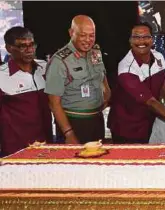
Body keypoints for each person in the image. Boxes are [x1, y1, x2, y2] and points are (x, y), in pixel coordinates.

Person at [108, 22, 165, 144]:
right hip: (127, 127)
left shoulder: (159, 57)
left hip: (150, 122)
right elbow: (151, 102)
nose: (141, 41)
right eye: (136, 37)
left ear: (152, 40)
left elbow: (162, 84)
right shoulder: (126, 69)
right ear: (130, 41)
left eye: (146, 37)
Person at [45, 15, 111, 144]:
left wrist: (107, 92)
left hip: (97, 119)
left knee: (98, 161)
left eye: (92, 35)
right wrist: (68, 133)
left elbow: (101, 74)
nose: (88, 40)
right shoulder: (59, 61)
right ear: (71, 33)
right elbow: (53, 103)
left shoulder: (95, 52)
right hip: (74, 121)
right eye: (82, 35)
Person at [0, 27, 52, 156]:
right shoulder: (2, 75)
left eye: (32, 44)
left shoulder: (45, 68)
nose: (30, 50)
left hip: (47, 144)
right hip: (16, 150)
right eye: (23, 46)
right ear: (9, 48)